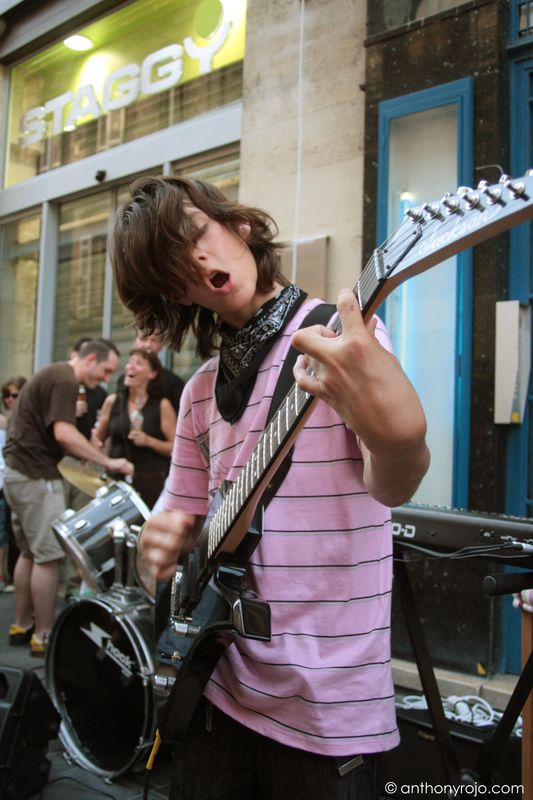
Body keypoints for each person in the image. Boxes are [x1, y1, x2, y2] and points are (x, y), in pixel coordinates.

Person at [110, 175, 430, 800]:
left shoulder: (337, 342)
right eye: (173, 264)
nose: (197, 260)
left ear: (241, 227)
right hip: (215, 686)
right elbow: (178, 518)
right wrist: (163, 543)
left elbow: (392, 484)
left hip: (324, 705)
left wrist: (400, 442)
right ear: (172, 291)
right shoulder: (202, 388)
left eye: (197, 235)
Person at [3, 339, 133, 656]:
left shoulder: (54, 374)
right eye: (106, 371)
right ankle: (44, 634)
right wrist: (108, 462)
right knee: (48, 558)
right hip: (36, 477)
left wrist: (87, 456)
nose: (105, 379)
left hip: (17, 473)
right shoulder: (65, 379)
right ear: (90, 359)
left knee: (29, 553)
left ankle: (22, 625)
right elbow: (63, 433)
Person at [94, 347, 177, 508]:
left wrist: (148, 441)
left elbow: (175, 448)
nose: (130, 366)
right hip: (116, 480)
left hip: (151, 483)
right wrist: (101, 454)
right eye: (130, 362)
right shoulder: (113, 401)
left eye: (138, 363)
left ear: (152, 374)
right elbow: (98, 439)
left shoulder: (162, 405)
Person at [116, 328, 185, 416]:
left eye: (154, 340)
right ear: (134, 341)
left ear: (161, 345)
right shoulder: (124, 379)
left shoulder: (174, 384)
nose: (148, 345)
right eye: (143, 339)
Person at [1, 376, 26, 589]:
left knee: (17, 533)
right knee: (7, 531)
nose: (10, 399)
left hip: (19, 479)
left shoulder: (23, 418)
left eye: (15, 395)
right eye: (6, 395)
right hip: (8, 479)